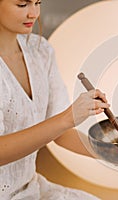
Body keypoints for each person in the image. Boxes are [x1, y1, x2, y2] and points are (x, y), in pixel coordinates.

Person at [0, 0, 110, 199]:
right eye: (22, 5)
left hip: (30, 189)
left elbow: (60, 133)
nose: (33, 13)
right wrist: (68, 117)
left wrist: (109, 152)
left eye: (37, 3)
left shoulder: (40, 50)